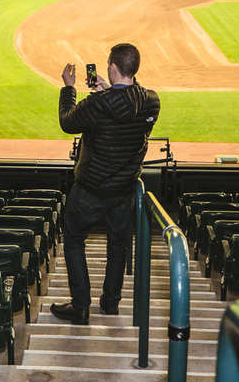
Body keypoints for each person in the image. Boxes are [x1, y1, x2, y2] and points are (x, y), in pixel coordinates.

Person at [51, 43, 161, 325]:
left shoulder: (96, 105)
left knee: (74, 239)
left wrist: (68, 88)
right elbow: (135, 125)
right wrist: (111, 94)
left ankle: (81, 307)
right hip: (125, 191)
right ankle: (110, 304)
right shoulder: (151, 101)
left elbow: (67, 122)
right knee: (118, 245)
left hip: (91, 190)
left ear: (112, 68)